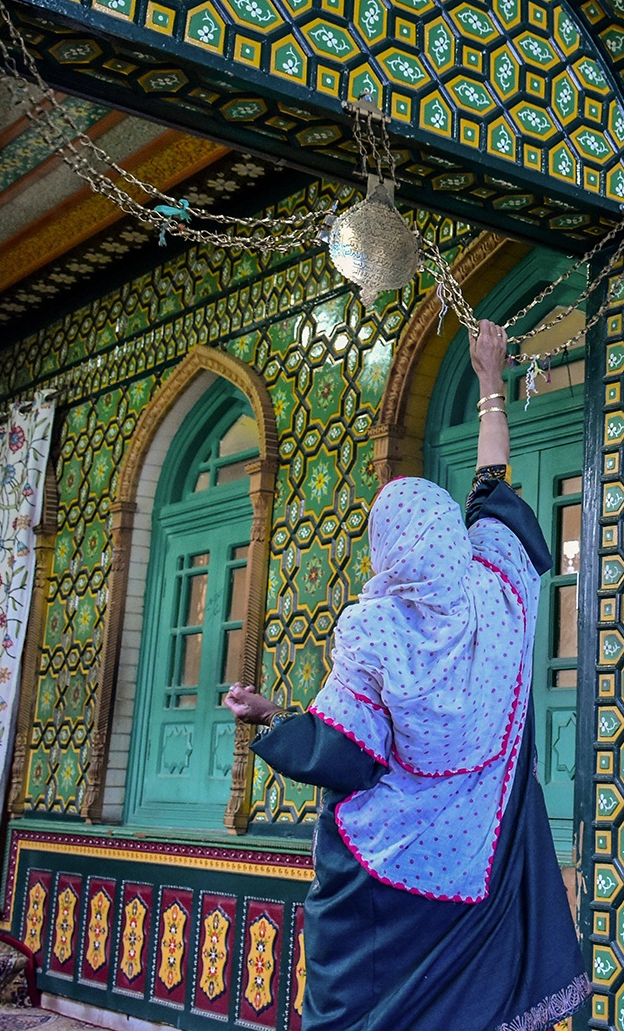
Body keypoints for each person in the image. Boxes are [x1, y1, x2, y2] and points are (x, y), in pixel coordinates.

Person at [224, 320, 586, 1031]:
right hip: (481, 858)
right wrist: (489, 382)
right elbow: (494, 483)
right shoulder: (500, 590)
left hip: (391, 880)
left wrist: (268, 715)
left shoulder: (375, 628)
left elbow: (347, 757)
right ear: (453, 537)